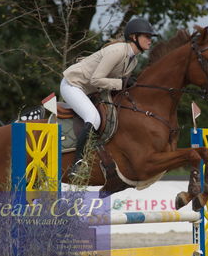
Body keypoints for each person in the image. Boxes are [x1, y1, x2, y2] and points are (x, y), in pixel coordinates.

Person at [60, 18, 158, 179]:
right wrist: (122, 83)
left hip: (91, 90)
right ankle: (77, 164)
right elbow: (96, 80)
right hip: (73, 85)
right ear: (134, 37)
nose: (150, 40)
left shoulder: (133, 60)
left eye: (150, 37)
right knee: (93, 118)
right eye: (146, 36)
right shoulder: (117, 51)